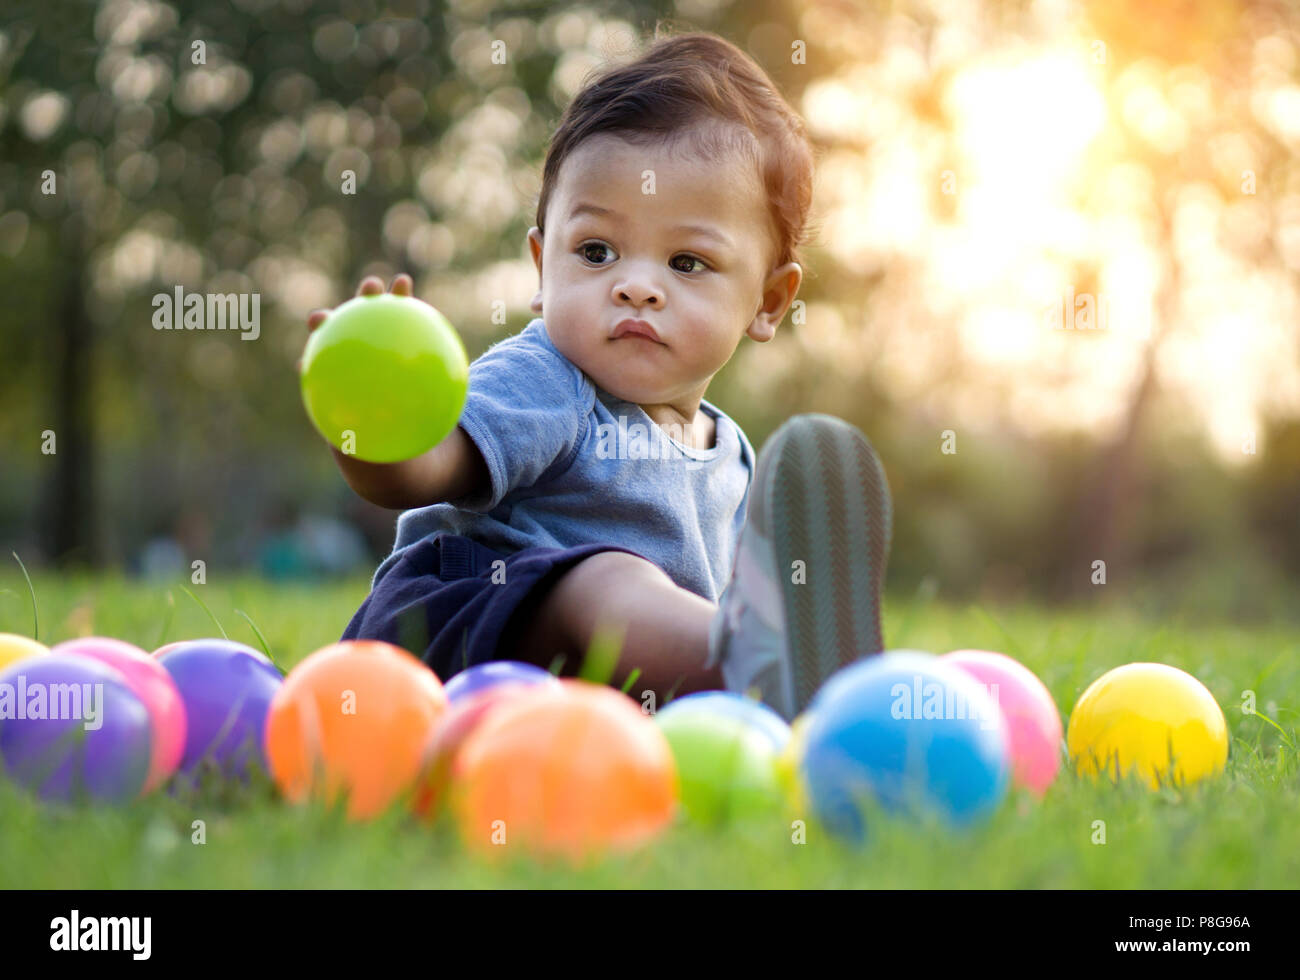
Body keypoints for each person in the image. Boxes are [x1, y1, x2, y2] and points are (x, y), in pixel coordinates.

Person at [302, 30, 892, 721]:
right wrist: (371, 422)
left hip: (589, 708)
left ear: (767, 302)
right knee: (607, 577)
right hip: (447, 646)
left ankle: (782, 675)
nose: (636, 287)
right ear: (541, 266)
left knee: (677, 602)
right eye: (597, 250)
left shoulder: (733, 457)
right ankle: (757, 668)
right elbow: (425, 471)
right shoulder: (546, 379)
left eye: (686, 263)